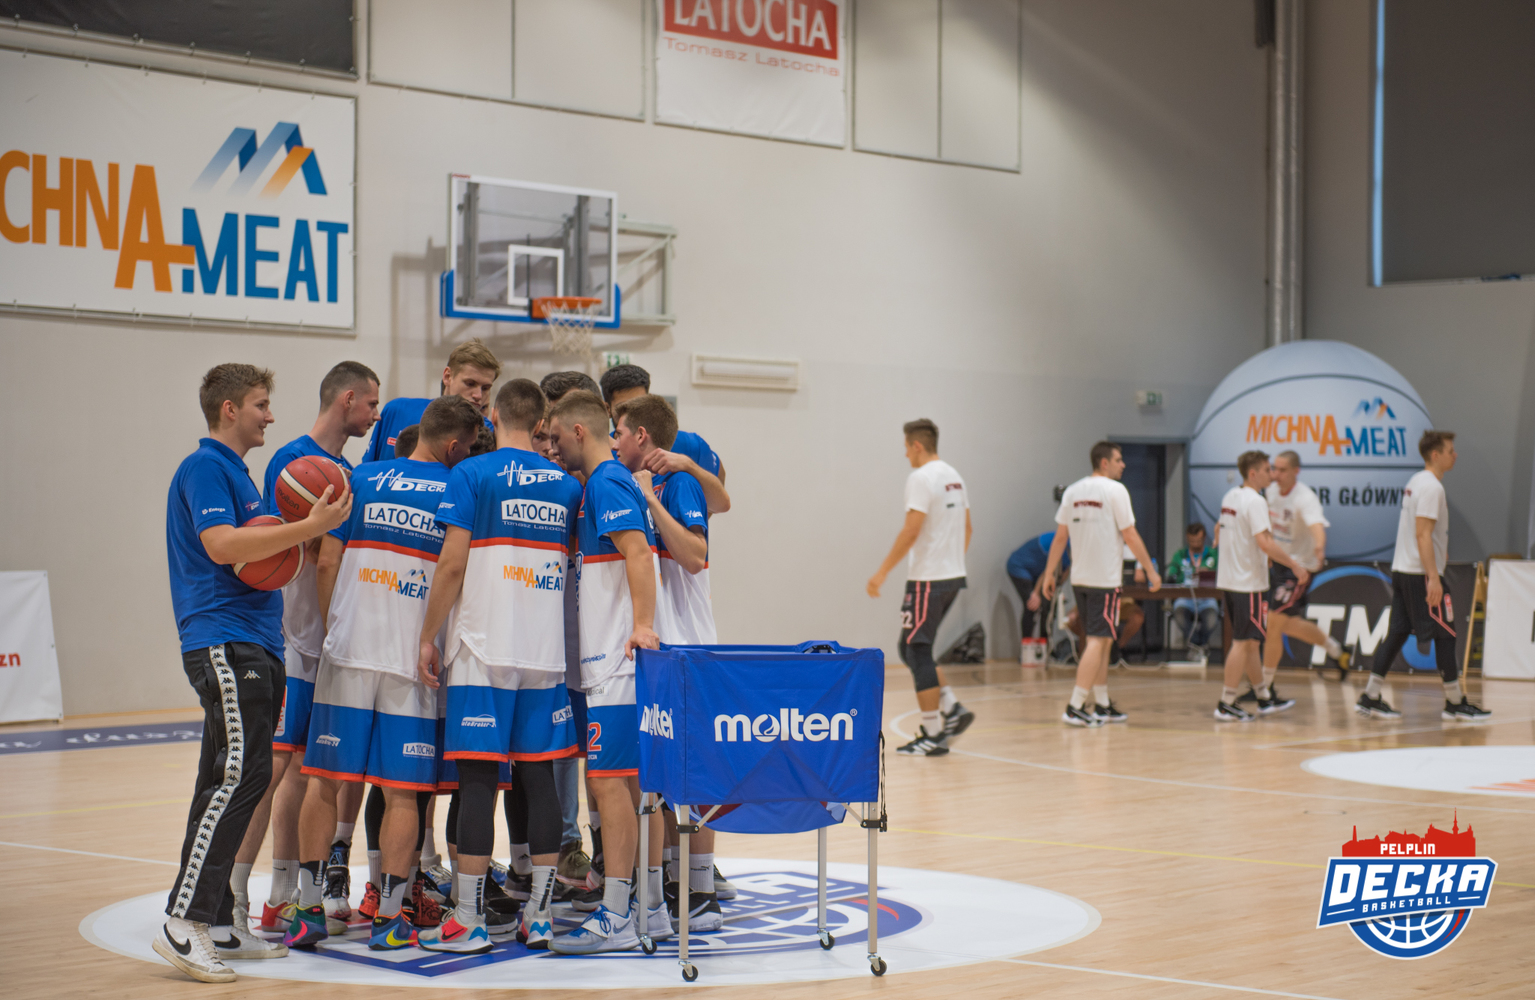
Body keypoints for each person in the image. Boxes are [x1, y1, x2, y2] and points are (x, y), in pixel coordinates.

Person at [158, 364, 350, 983]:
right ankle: (185, 921)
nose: (270, 415)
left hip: (256, 642)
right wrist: (310, 529)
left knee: (223, 778)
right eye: (262, 405)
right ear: (230, 410)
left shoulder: (239, 474)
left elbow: (261, 554)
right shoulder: (206, 467)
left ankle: (217, 921)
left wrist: (295, 542)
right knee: (243, 775)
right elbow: (221, 545)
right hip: (224, 640)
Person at [282, 396, 483, 952]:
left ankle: (308, 909)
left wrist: (336, 627)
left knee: (325, 778)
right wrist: (429, 638)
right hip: (411, 661)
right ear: (453, 446)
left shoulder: (362, 478)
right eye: (469, 447)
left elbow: (326, 560)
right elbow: (454, 570)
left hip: (348, 652)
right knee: (402, 793)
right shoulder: (457, 488)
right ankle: (391, 919)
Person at [416, 380, 584, 953]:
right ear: (540, 425)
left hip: (483, 651)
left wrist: (427, 636)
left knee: (479, 782)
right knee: (540, 781)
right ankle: (541, 916)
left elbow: (451, 565)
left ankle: (467, 919)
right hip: (544, 655)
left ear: (492, 415)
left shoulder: (472, 473)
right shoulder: (567, 485)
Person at [255, 361, 379, 935]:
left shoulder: (351, 473)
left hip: (330, 643)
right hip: (293, 637)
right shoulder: (291, 462)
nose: (375, 414)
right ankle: (247, 891)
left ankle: (294, 891)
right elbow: (271, 545)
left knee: (312, 769)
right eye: (370, 403)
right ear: (347, 398)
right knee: (276, 767)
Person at [546, 389, 666, 954]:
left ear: (578, 431)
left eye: (555, 437)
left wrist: (642, 625)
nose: (552, 447)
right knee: (638, 786)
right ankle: (653, 907)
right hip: (614, 660)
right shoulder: (605, 482)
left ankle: (617, 912)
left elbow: (638, 553)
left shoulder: (606, 482)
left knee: (609, 782)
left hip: (618, 661)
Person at [612, 393, 726, 932]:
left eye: (619, 431)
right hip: (661, 650)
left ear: (642, 436)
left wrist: (652, 501)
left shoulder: (677, 482)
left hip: (691, 649)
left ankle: (701, 891)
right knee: (657, 777)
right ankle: (668, 884)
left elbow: (696, 556)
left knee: (694, 774)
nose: (614, 441)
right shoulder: (629, 483)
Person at [1356, 432, 1491, 722]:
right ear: (1435, 455)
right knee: (1446, 634)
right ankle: (1454, 702)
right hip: (1419, 574)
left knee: (1397, 633)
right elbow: (1422, 534)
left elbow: (1423, 533)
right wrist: (1433, 577)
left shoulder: (1416, 482)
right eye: (1450, 451)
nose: (1455, 455)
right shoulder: (1432, 487)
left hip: (1403, 570)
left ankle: (1370, 696)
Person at [866, 418, 975, 757]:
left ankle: (933, 733)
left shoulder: (921, 478)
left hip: (929, 579)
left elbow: (910, 530)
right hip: (951, 576)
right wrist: (952, 562)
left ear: (917, 445)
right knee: (911, 647)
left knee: (916, 650)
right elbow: (968, 528)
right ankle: (952, 708)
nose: (905, 455)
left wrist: (881, 572)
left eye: (906, 448)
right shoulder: (954, 476)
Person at [1040, 442, 1161, 726]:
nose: (1123, 465)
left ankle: (1102, 704)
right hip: (1103, 580)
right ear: (1104, 463)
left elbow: (1060, 537)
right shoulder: (1115, 490)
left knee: (1104, 640)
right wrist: (1150, 570)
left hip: (1081, 579)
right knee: (1097, 641)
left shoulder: (1073, 491)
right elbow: (1130, 534)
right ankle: (1075, 705)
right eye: (1119, 460)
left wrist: (1049, 574)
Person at [538, 371, 601, 894]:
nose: (552, 438)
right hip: (543, 637)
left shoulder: (603, 481)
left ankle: (607, 853)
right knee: (553, 751)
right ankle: (558, 848)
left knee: (600, 756)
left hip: (596, 640)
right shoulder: (538, 478)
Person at [1213, 451, 1310, 721]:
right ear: (1253, 473)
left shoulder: (1230, 496)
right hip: (1249, 583)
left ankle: (1263, 697)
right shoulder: (1256, 501)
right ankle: (1226, 702)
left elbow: (1219, 527)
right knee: (1243, 642)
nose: (1272, 474)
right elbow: (1265, 542)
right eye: (1268, 470)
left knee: (1252, 642)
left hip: (1230, 581)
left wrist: (1221, 541)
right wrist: (1294, 565)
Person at [1250, 451, 1352, 698]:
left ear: (1296, 471)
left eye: (1282, 470)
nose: (1276, 474)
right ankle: (1338, 651)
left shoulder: (1305, 498)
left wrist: (1320, 546)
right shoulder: (1270, 492)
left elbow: (1317, 526)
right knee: (1288, 623)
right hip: (1278, 563)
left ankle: (1265, 688)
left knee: (1273, 623)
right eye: (1274, 469)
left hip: (1299, 568)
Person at [597, 364, 731, 515]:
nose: (633, 413)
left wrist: (692, 516)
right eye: (623, 407)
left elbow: (721, 500)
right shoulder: (602, 453)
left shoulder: (687, 444)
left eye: (639, 402)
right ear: (608, 409)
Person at [362, 339, 500, 463]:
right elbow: (368, 470)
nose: (478, 395)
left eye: (486, 388)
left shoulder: (491, 434)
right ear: (447, 376)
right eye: (470, 383)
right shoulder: (397, 411)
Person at [1165, 523, 1220, 661]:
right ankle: (1197, 645)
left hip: (1208, 597)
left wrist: (1208, 572)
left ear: (1204, 538)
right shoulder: (1180, 555)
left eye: (1198, 540)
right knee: (1179, 611)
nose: (1195, 544)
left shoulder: (1213, 554)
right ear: (1187, 538)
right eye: (1192, 541)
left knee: (1212, 616)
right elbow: (1171, 575)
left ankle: (1198, 645)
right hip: (1185, 597)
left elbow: (1223, 575)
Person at [1008, 531, 1068, 641]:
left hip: (1038, 571)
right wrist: (1035, 593)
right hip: (1019, 567)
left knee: (1049, 607)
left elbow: (1064, 573)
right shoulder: (1063, 542)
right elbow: (1048, 571)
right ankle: (1027, 646)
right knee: (1032, 605)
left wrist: (1058, 591)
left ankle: (1045, 645)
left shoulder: (1073, 550)